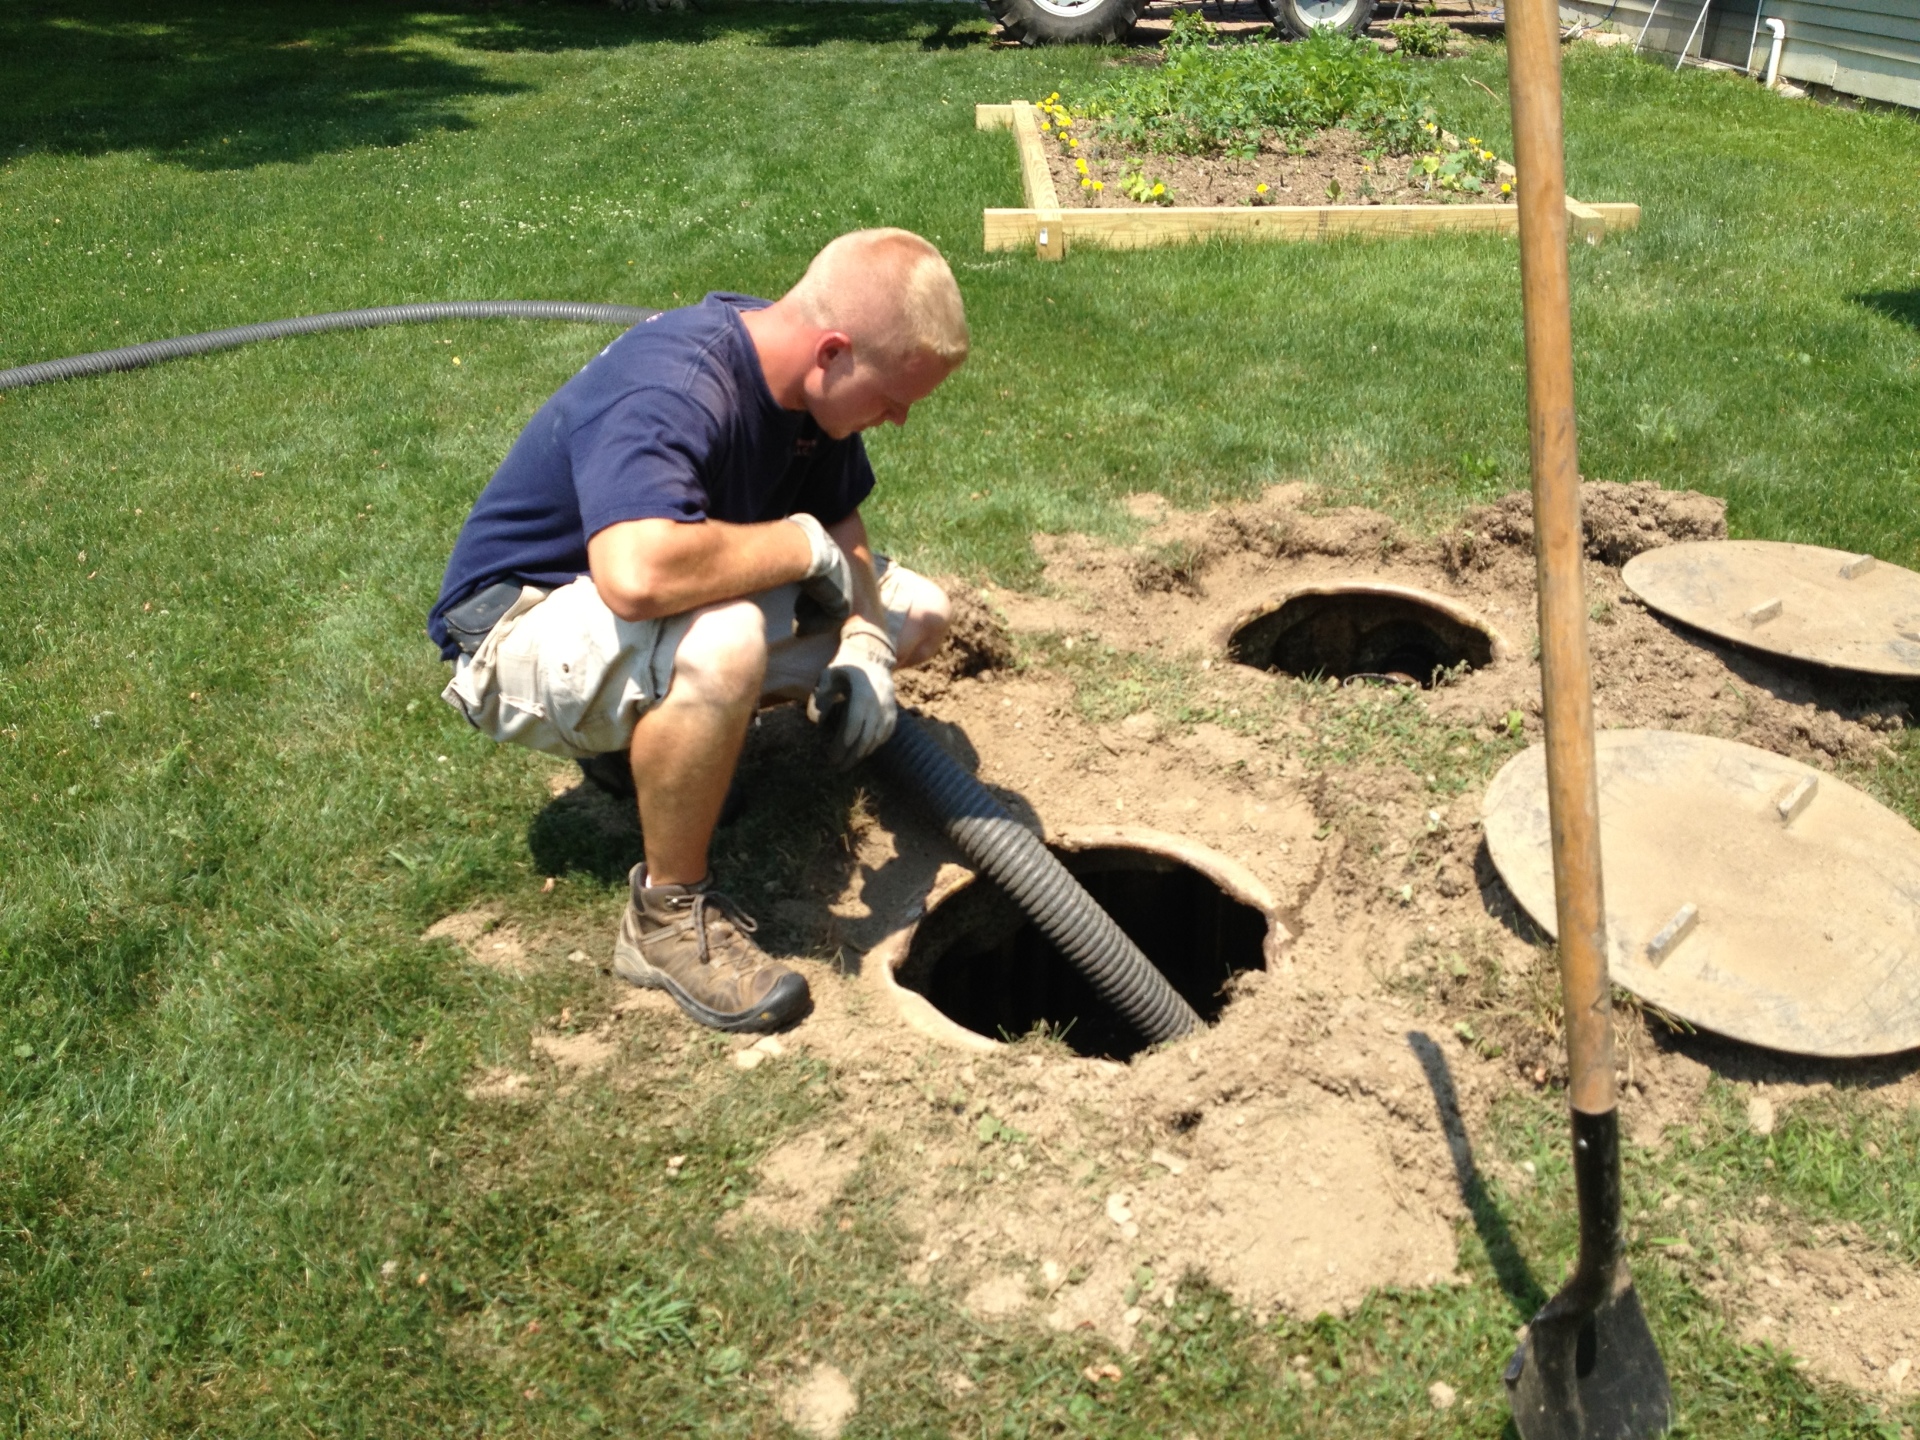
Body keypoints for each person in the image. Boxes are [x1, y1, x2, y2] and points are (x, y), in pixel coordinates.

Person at [427, 229, 967, 1034]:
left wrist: (866, 638)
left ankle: (639, 749)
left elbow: (841, 519)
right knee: (725, 639)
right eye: (893, 398)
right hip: (516, 624)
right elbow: (638, 575)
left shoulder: (808, 391)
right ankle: (666, 920)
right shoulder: (677, 385)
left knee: (917, 610)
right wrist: (796, 547)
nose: (899, 420)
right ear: (832, 351)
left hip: (626, 608)